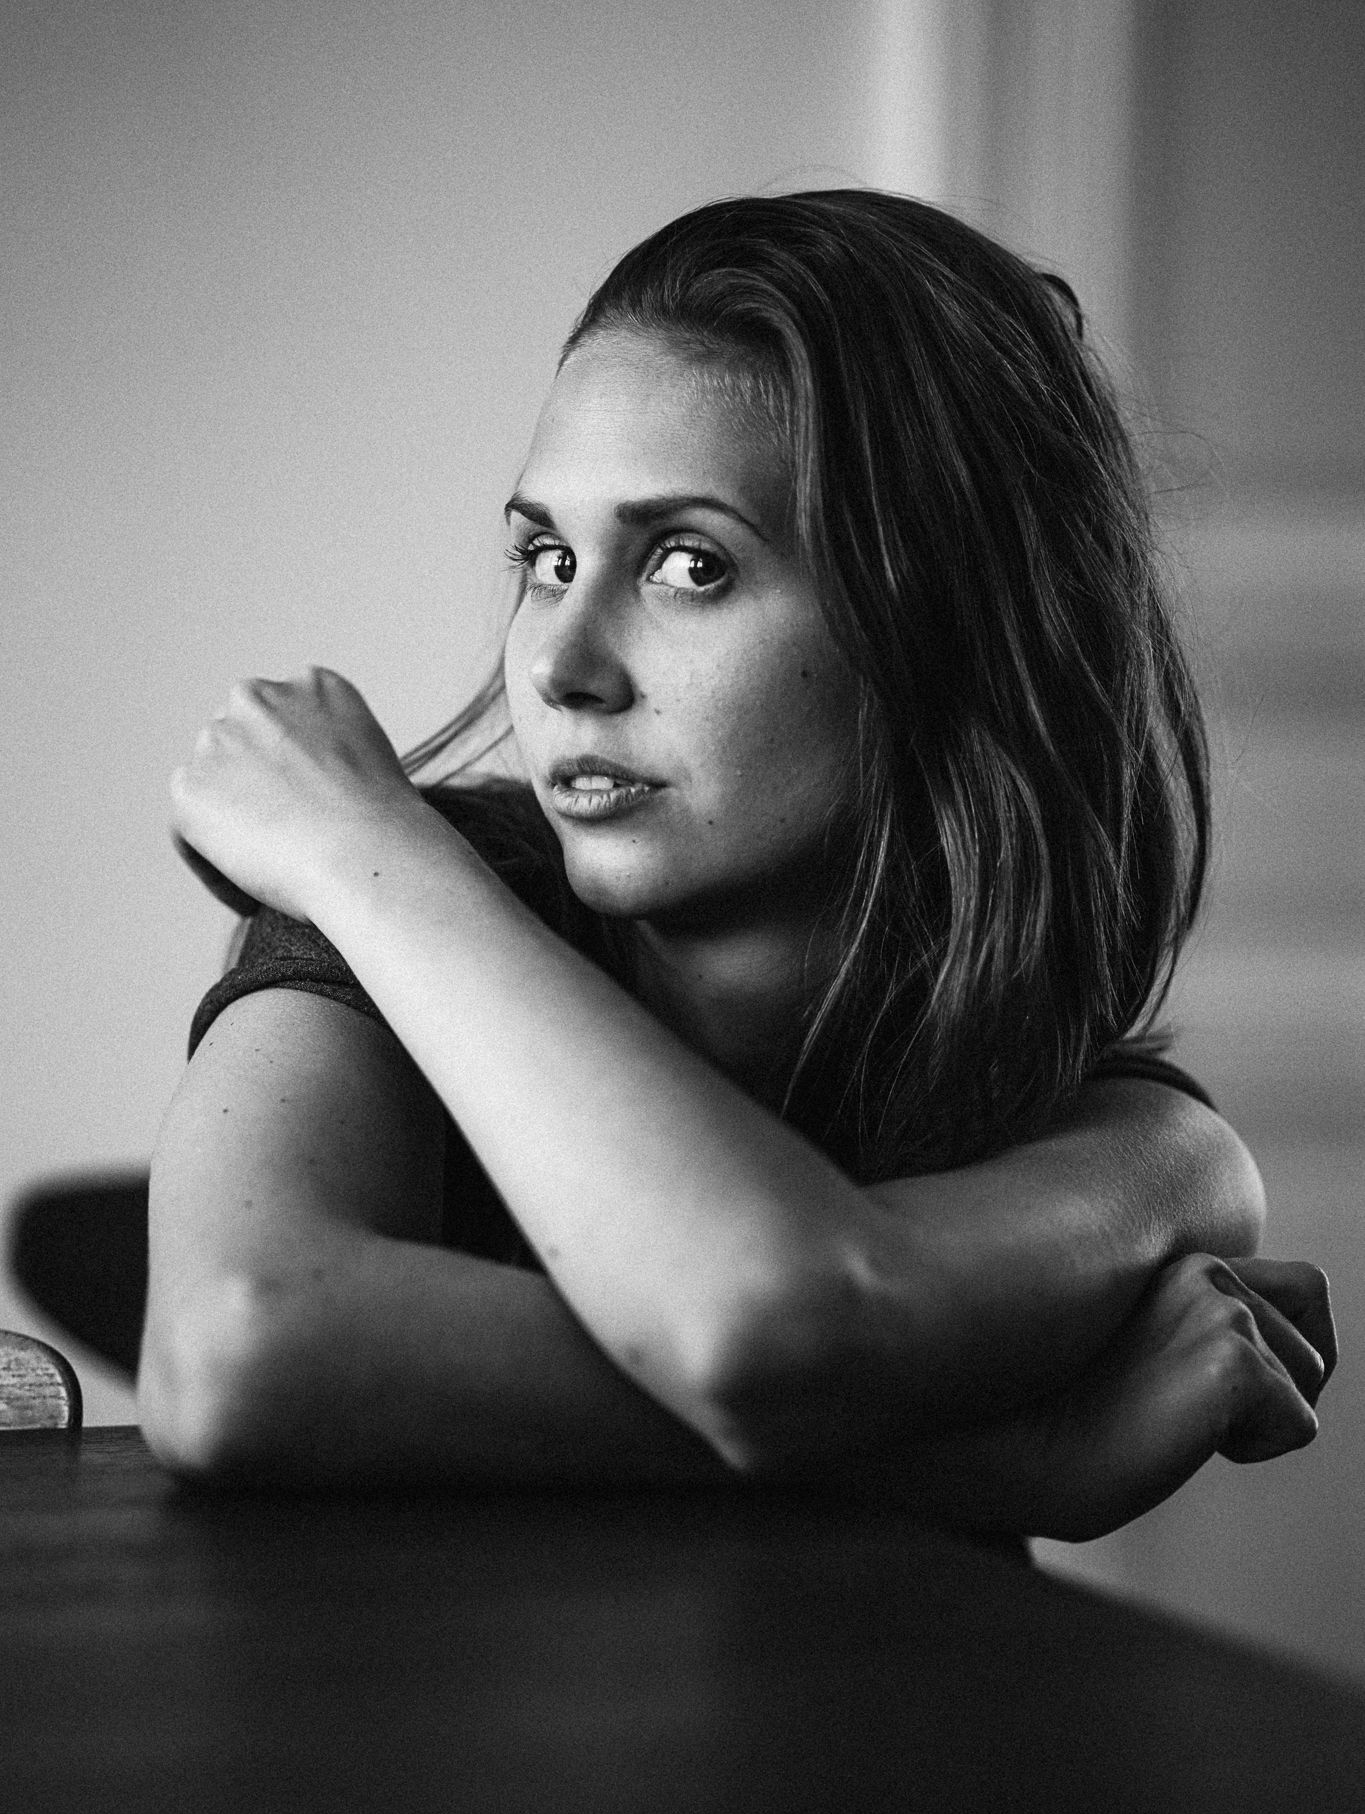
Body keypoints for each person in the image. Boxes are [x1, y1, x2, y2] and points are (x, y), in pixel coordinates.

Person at [140, 190, 1334, 1537]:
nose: (560, 665)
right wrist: (997, 1462)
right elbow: (238, 1354)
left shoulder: (1146, 1158)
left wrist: (360, 847)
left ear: (948, 626)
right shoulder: (408, 892)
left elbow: (763, 1327)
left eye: (689, 565)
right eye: (547, 557)